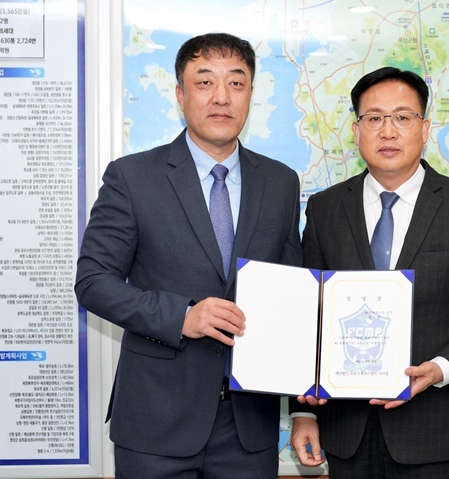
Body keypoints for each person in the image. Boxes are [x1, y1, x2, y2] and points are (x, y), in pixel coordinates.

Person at [75, 33, 302, 479]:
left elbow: (292, 294)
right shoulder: (132, 177)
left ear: (250, 94)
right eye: (205, 82)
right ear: (180, 95)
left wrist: (302, 406)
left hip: (249, 428)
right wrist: (181, 316)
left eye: (236, 83)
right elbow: (93, 282)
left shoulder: (280, 182)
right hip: (156, 423)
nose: (222, 97)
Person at [290, 67, 449, 479]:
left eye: (402, 117)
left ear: (425, 128)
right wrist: (303, 413)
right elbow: (307, 315)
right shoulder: (325, 209)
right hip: (346, 432)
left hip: (432, 432)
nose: (388, 131)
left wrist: (439, 369)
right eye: (374, 118)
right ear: (356, 131)